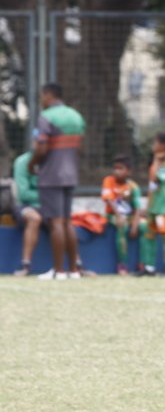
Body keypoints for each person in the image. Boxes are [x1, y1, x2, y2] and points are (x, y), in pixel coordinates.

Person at [30, 83, 85, 280]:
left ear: (48, 96)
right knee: (67, 221)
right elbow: (80, 147)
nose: (41, 101)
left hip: (51, 175)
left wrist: (32, 164)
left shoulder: (46, 117)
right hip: (71, 175)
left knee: (56, 223)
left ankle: (58, 270)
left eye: (42, 96)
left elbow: (42, 148)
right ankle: (74, 270)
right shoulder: (76, 116)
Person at [138, 132, 165, 276]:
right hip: (154, 205)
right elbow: (151, 186)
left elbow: (156, 179)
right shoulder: (158, 162)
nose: (153, 146)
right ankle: (149, 267)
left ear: (163, 146)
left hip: (163, 205)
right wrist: (147, 205)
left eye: (155, 143)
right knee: (149, 236)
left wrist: (155, 161)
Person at [100, 155, 142, 275]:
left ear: (129, 171)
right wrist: (118, 215)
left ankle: (145, 265)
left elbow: (138, 208)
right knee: (122, 224)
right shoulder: (109, 180)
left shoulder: (133, 186)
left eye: (120, 168)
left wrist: (135, 225)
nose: (116, 171)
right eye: (115, 168)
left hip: (129, 216)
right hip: (112, 215)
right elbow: (109, 200)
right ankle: (122, 264)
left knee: (145, 227)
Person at [11, 149, 43, 276]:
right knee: (34, 218)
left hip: (49, 205)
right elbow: (23, 194)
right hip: (25, 205)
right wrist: (47, 196)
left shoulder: (53, 160)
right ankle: (25, 265)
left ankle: (77, 266)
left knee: (63, 219)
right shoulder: (22, 161)